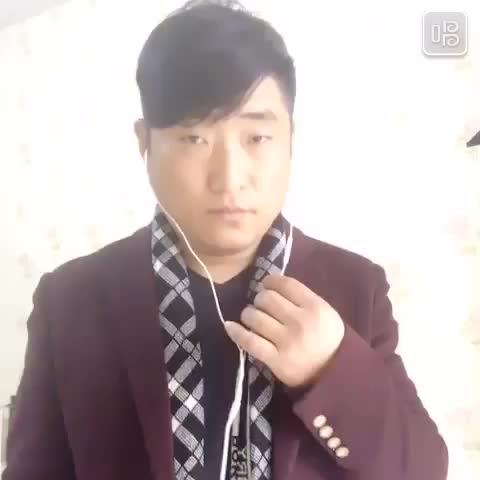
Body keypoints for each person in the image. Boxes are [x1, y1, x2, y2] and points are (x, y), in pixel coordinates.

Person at [3, 1, 448, 480]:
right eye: (193, 139)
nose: (230, 177)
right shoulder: (70, 301)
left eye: (257, 138)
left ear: (290, 139)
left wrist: (330, 370)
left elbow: (423, 470)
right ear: (145, 143)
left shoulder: (353, 288)